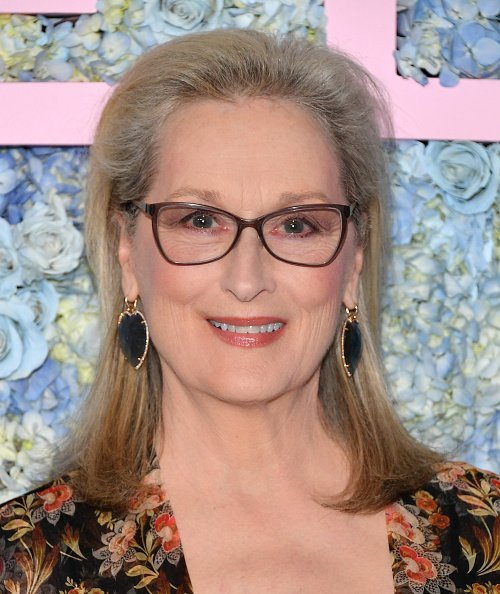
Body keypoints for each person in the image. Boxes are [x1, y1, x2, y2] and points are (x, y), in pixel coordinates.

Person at [0, 29, 498, 594]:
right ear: (127, 254)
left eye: (296, 224)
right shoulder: (26, 564)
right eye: (199, 220)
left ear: (353, 261)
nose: (247, 279)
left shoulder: (483, 532)